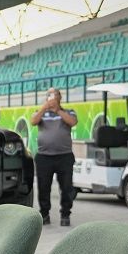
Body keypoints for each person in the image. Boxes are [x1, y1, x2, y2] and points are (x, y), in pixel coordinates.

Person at [30, 88, 77, 226]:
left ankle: (65, 214)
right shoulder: (40, 112)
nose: (51, 98)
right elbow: (33, 121)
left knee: (67, 187)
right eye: (49, 95)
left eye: (54, 95)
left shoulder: (68, 111)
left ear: (60, 97)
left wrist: (58, 110)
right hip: (44, 157)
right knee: (44, 187)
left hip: (65, 156)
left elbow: (72, 122)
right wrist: (44, 108)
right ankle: (44, 214)